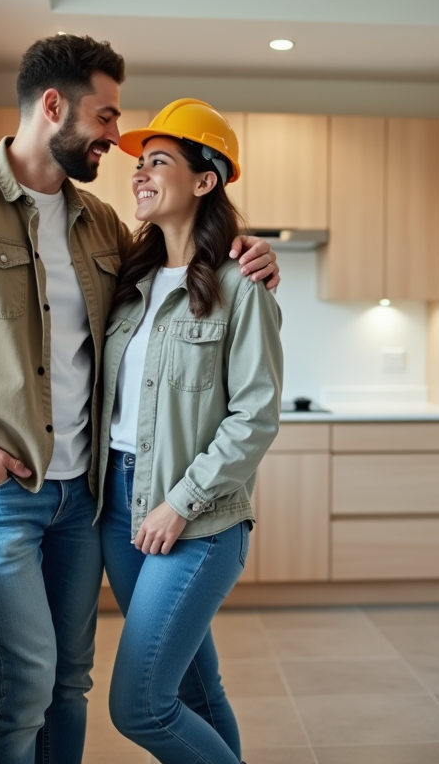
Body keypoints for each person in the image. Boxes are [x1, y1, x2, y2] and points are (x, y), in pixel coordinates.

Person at [0, 37, 279, 764]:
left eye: (142, 146)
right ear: (54, 107)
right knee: (25, 683)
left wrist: (247, 252)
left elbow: (187, 278)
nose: (120, 142)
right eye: (108, 118)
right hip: (0, 491)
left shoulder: (101, 227)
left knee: (70, 684)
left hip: (83, 501)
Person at [97, 99, 283, 764]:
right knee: (197, 696)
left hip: (197, 519)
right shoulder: (128, 277)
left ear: (205, 181)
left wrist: (181, 503)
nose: (139, 174)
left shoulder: (243, 284)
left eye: (158, 162)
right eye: (138, 165)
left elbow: (255, 416)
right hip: (117, 506)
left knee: (139, 705)